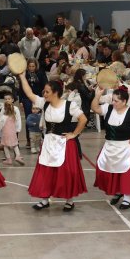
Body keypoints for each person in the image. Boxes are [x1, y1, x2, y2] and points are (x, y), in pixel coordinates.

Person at [18, 74, 87, 211]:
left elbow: (83, 119)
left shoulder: (69, 105)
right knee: (46, 170)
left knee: (66, 172)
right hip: (49, 142)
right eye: (44, 91)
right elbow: (29, 94)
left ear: (56, 93)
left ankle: (69, 200)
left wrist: (74, 134)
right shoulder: (44, 103)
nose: (44, 94)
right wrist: (22, 77)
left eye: (47, 91)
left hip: (65, 144)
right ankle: (45, 199)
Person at [91, 86, 130, 209]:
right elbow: (95, 108)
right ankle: (118, 192)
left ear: (124, 101)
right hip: (110, 146)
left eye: (116, 101)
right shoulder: (108, 109)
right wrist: (97, 95)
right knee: (111, 170)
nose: (113, 103)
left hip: (126, 148)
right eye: (112, 100)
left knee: (127, 174)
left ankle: (127, 199)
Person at [19, 59, 48, 149]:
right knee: (29, 118)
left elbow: (45, 85)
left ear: (36, 66)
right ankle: (29, 140)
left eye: (33, 66)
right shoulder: (25, 75)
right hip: (27, 99)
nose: (31, 68)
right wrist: (20, 101)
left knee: (40, 118)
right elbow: (21, 88)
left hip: (38, 99)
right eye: (30, 66)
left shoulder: (41, 74)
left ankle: (40, 139)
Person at [0, 92, 24, 166]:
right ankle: (18, 156)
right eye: (5, 99)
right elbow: (18, 119)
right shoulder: (14, 109)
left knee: (5, 145)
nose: (7, 100)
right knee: (15, 144)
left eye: (9, 99)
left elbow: (1, 121)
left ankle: (9, 159)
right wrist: (18, 129)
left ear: (12, 100)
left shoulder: (10, 110)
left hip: (6, 131)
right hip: (12, 131)